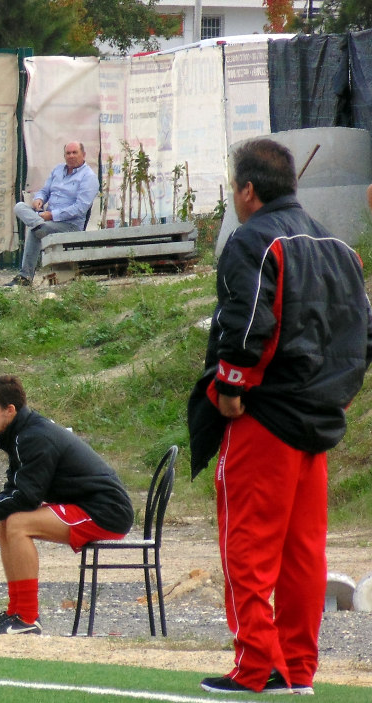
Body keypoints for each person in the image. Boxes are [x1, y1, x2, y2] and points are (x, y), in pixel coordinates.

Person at [188, 139, 372, 695]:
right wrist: (337, 398)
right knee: (303, 556)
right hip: (317, 423)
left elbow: (247, 323)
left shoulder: (253, 239)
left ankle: (254, 668)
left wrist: (229, 386)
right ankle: (296, 670)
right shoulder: (342, 248)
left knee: (247, 549)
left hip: (264, 419)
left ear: (247, 190)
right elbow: (361, 336)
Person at [0, 375, 132, 635]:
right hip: (86, 506)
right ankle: (15, 613)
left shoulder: (33, 436)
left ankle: (26, 618)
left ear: (10, 410)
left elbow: (27, 497)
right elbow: (15, 491)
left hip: (107, 512)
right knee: (7, 520)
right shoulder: (22, 433)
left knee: (18, 523)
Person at [6, 142, 98, 287]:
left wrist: (53, 215)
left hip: (69, 225)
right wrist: (39, 199)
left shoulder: (89, 177)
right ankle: (39, 225)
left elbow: (80, 208)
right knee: (19, 207)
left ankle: (25, 276)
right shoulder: (58, 170)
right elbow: (45, 191)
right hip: (46, 218)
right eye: (68, 153)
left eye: (75, 152)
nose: (71, 156)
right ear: (64, 155)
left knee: (35, 231)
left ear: (83, 155)